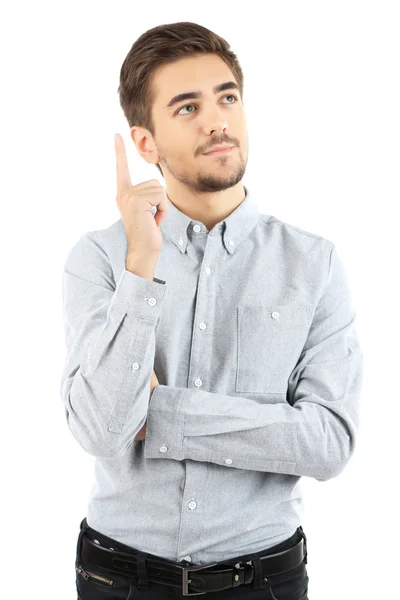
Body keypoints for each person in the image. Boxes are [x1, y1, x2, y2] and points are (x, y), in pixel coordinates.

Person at [61, 21, 364, 600]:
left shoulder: (313, 263)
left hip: (263, 580)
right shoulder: (100, 258)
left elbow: (328, 443)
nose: (217, 120)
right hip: (117, 575)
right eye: (187, 107)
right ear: (145, 143)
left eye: (227, 98)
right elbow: (102, 430)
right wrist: (140, 271)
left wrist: (163, 414)